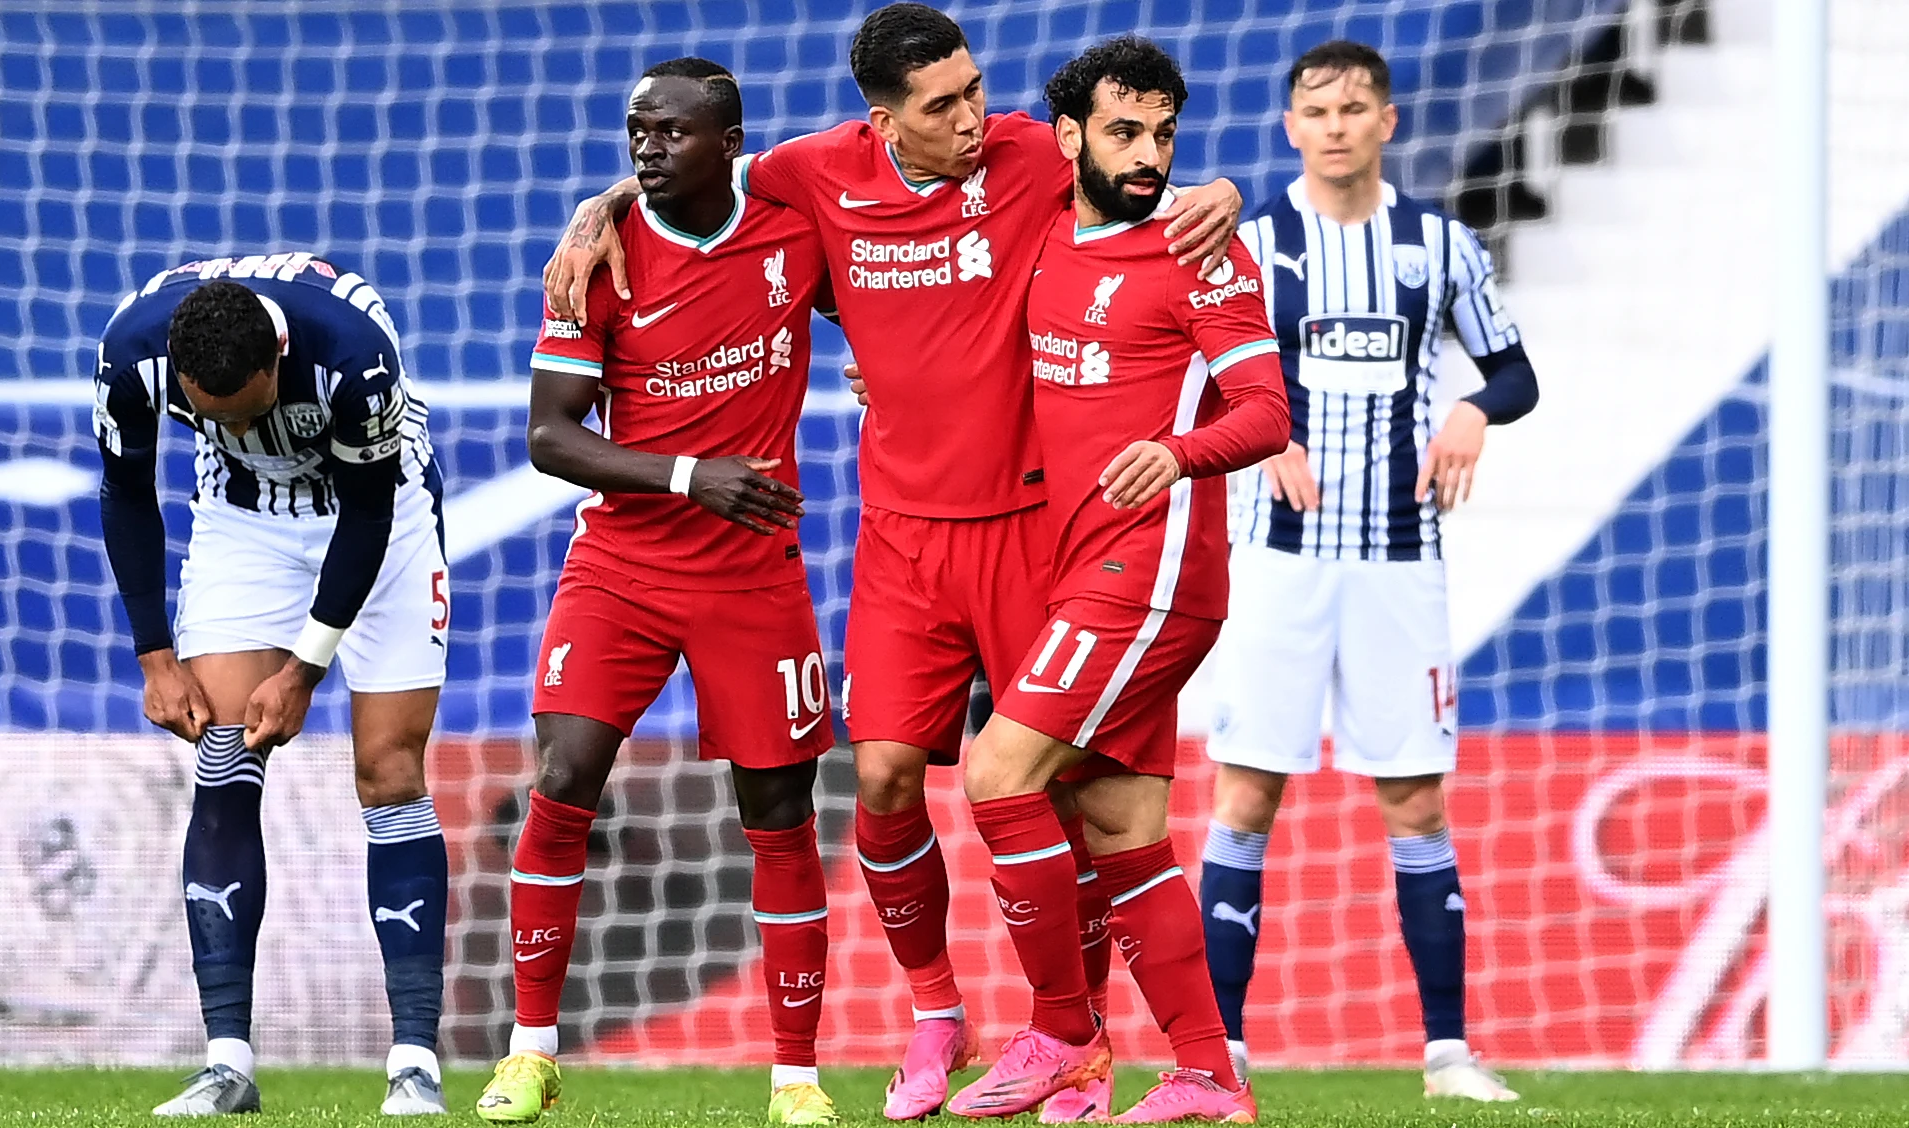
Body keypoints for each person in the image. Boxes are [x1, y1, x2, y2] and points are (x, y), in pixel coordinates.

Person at [543, 7, 1244, 1119]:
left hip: (1029, 527)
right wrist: (600, 211)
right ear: (882, 119)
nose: (973, 118)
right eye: (942, 105)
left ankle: (1080, 1042)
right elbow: (687, 174)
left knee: (1068, 800)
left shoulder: (1027, 148)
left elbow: (1137, 168)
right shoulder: (817, 170)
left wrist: (1224, 191)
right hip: (900, 535)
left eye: (974, 90)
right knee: (878, 782)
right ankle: (935, 1014)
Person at [470, 58, 840, 1128]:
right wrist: (689, 476)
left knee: (777, 809)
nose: (645, 148)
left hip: (752, 571)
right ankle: (528, 1054)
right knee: (564, 771)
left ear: (727, 142)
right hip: (623, 567)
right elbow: (548, 437)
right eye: (636, 131)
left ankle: (794, 1078)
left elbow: (886, 298)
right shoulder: (599, 257)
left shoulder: (791, 230)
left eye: (670, 132)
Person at [948, 37, 1288, 1124]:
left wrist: (1176, 453)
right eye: (1124, 132)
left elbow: (1266, 414)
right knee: (1118, 822)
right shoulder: (1042, 231)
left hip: (1148, 574)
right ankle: (1206, 1074)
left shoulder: (1200, 251)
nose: (1149, 156)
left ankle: (1058, 1032)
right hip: (1076, 567)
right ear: (1069, 139)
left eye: (1165, 136)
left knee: (997, 772)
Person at [1198, 39, 1540, 1103]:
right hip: (1274, 562)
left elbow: (1514, 370)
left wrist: (1473, 411)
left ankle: (1446, 1054)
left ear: (1385, 122)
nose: (1336, 124)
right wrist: (1261, 431)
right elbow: (1188, 374)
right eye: (1316, 109)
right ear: (1289, 127)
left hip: (1400, 557)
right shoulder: (1250, 244)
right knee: (1244, 793)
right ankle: (1223, 1055)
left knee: (1415, 802)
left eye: (1354, 107)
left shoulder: (1437, 246)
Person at [93, 255, 451, 1116]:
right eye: (207, 416)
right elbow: (125, 489)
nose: (232, 425)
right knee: (222, 749)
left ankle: (413, 1064)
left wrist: (304, 669)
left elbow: (366, 517)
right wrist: (154, 654)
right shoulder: (131, 350)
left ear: (275, 368)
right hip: (244, 519)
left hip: (383, 514)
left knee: (390, 771)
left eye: (247, 411)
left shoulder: (353, 356)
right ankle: (227, 1064)